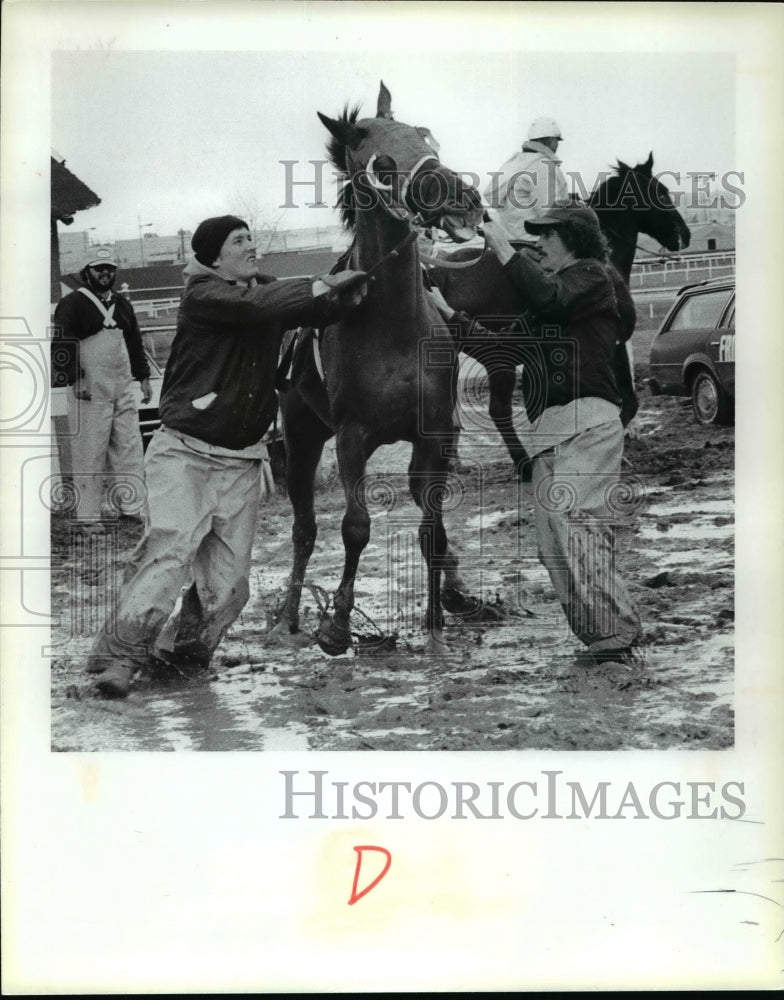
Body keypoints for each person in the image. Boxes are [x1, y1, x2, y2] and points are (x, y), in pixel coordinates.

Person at [86, 215, 368, 697]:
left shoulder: (262, 291)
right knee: (168, 557)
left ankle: (182, 656)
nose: (252, 246)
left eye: (250, 238)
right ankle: (117, 660)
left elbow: (310, 311)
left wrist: (354, 296)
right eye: (240, 241)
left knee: (231, 587)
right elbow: (262, 303)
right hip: (185, 454)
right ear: (215, 258)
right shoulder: (204, 294)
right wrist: (320, 283)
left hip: (241, 459)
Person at [430, 203, 642, 662]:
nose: (540, 243)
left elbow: (548, 295)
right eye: (537, 237)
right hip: (546, 435)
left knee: (578, 526)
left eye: (548, 236)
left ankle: (619, 633)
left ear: (573, 238)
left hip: (590, 425)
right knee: (553, 547)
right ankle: (599, 638)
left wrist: (502, 244)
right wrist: (446, 311)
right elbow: (499, 346)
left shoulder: (592, 276)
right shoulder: (548, 302)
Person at [53, 246, 152, 527]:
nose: (105, 273)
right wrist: (75, 376)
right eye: (99, 268)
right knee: (90, 450)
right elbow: (62, 343)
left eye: (110, 268)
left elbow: (134, 343)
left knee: (129, 444)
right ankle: (88, 517)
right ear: (87, 273)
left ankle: (132, 508)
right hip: (89, 388)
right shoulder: (72, 303)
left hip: (121, 387)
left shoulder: (122, 304)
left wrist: (143, 377)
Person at [483, 116, 570, 241]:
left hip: (509, 238)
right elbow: (550, 212)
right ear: (550, 140)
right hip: (535, 241)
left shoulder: (515, 163)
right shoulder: (543, 166)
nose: (557, 145)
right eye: (557, 141)